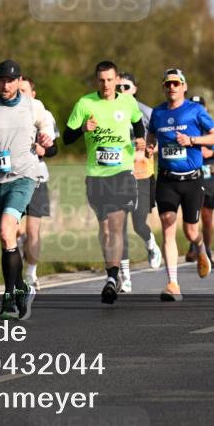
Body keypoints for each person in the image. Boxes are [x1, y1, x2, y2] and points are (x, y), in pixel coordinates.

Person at [0, 60, 53, 319]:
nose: (6, 85)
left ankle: (8, 300)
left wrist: (46, 138)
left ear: (19, 82)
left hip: (23, 176)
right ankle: (20, 287)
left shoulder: (32, 106)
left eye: (11, 80)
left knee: (8, 229)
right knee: (7, 240)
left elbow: (47, 125)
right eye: (2, 80)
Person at [65, 61, 145, 305]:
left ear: (116, 79)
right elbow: (66, 137)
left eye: (110, 80)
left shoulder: (127, 102)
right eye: (101, 80)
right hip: (96, 175)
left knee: (116, 224)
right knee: (106, 229)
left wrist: (140, 141)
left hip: (121, 173)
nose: (106, 84)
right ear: (96, 81)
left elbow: (138, 124)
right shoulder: (85, 103)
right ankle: (113, 271)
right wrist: (82, 128)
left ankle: (110, 278)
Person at [146, 69, 214, 302]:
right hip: (167, 179)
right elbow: (151, 137)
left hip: (192, 179)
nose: (172, 88)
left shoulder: (195, 110)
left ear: (184, 87)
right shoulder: (157, 112)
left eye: (176, 83)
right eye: (167, 84)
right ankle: (173, 283)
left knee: (190, 231)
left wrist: (191, 140)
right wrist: (150, 147)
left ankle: (200, 248)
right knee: (168, 225)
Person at [117, 72, 162, 291]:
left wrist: (152, 148)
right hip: (117, 176)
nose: (121, 91)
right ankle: (124, 276)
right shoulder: (111, 110)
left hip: (142, 174)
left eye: (125, 87)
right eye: (118, 87)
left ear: (135, 89)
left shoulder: (147, 113)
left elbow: (161, 140)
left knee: (138, 224)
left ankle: (150, 243)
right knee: (119, 226)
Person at [15, 77, 59, 291]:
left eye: (24, 90)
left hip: (37, 178)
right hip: (12, 178)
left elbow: (54, 148)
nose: (20, 94)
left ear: (33, 94)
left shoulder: (44, 115)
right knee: (11, 228)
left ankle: (30, 274)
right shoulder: (7, 114)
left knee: (34, 230)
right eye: (18, 90)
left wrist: (44, 150)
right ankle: (20, 240)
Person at [186, 95, 214, 270]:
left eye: (200, 107)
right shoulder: (186, 125)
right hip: (190, 172)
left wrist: (210, 153)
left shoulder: (212, 126)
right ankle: (194, 244)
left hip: (209, 173)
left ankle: (208, 250)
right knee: (190, 215)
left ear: (205, 109)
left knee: (207, 216)